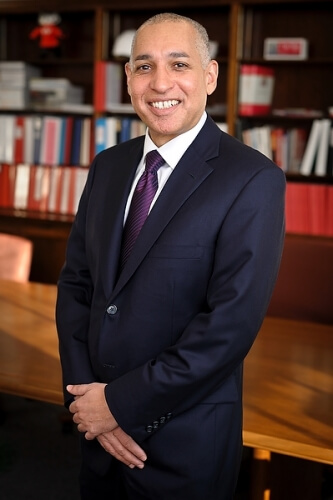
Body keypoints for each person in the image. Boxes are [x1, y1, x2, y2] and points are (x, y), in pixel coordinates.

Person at [56, 12, 285, 500]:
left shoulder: (252, 180)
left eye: (179, 64)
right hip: (96, 436)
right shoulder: (108, 166)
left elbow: (229, 327)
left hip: (183, 446)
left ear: (210, 76)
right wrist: (86, 402)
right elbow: (77, 286)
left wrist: (119, 404)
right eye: (144, 66)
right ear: (128, 79)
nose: (160, 82)